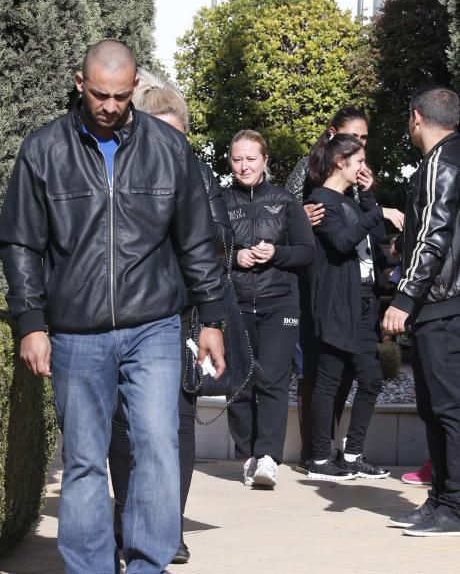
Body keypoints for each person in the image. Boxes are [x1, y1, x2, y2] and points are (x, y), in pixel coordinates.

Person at [0, 40, 226, 574]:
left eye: (121, 97)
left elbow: (197, 240)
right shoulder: (43, 151)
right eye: (100, 94)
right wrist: (31, 322)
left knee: (156, 446)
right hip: (77, 331)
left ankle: (149, 564)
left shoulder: (169, 151)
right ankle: (90, 568)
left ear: (135, 91)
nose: (109, 106)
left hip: (154, 326)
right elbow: (21, 244)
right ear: (80, 84)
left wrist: (212, 318)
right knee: (83, 460)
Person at [109, 69, 231, 565]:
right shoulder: (113, 167)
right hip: (117, 314)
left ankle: (167, 527)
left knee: (173, 424)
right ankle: (127, 522)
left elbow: (218, 243)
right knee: (123, 425)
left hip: (175, 315)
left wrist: (210, 319)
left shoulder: (196, 173)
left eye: (173, 135)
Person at [384, 87, 460, 536]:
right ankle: (441, 501)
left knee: (445, 408)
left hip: (441, 305)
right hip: (449, 302)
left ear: (416, 117)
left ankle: (451, 506)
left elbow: (435, 235)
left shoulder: (439, 163)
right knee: (439, 408)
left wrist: (405, 297)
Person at [306, 133, 403, 481]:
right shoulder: (321, 200)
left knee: (372, 377)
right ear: (340, 161)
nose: (364, 167)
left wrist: (370, 201)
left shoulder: (351, 201)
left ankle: (351, 453)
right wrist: (375, 212)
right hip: (336, 303)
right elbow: (341, 242)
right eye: (359, 160)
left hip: (362, 302)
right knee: (329, 379)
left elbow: (373, 247)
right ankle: (318, 460)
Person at [222, 130, 315, 488]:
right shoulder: (220, 200)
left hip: (280, 302)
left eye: (251, 158)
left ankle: (267, 458)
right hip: (236, 302)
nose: (244, 166)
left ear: (265, 161)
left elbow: (307, 252)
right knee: (240, 380)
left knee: (273, 378)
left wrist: (276, 253)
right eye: (237, 159)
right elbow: (204, 251)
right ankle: (247, 454)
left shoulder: (286, 201)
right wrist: (234, 257)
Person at [286, 107, 372, 473]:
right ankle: (316, 451)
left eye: (365, 140)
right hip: (317, 288)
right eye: (355, 139)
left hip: (350, 292)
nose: (361, 147)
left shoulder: (354, 189)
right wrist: (298, 218)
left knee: (346, 373)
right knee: (318, 373)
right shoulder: (309, 181)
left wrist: (370, 201)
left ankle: (331, 448)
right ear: (334, 138)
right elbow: (293, 220)